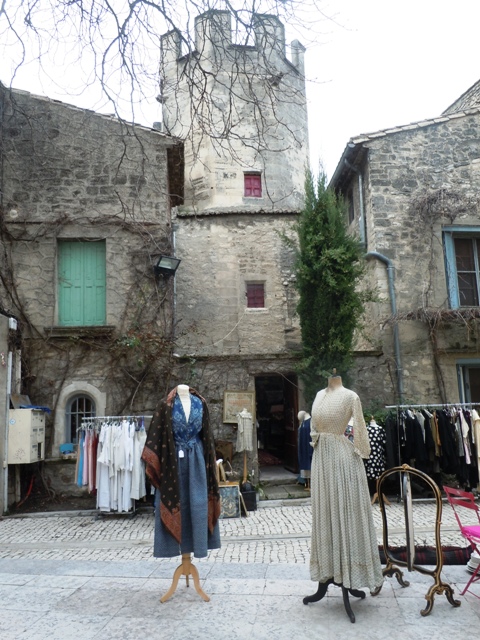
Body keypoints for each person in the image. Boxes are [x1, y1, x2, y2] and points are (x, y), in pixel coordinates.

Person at [304, 374, 383, 621]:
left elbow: (360, 436)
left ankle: (350, 574)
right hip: (321, 460)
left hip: (343, 461)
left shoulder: (351, 397)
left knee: (345, 516)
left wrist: (359, 452)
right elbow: (314, 431)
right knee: (326, 515)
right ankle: (329, 569)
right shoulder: (318, 395)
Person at [142, 384, 221, 558]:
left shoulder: (201, 403)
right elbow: (156, 436)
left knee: (198, 503)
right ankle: (171, 548)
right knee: (176, 500)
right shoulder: (165, 405)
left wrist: (210, 464)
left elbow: (207, 436)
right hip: (172, 461)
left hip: (197, 461)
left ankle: (199, 545)